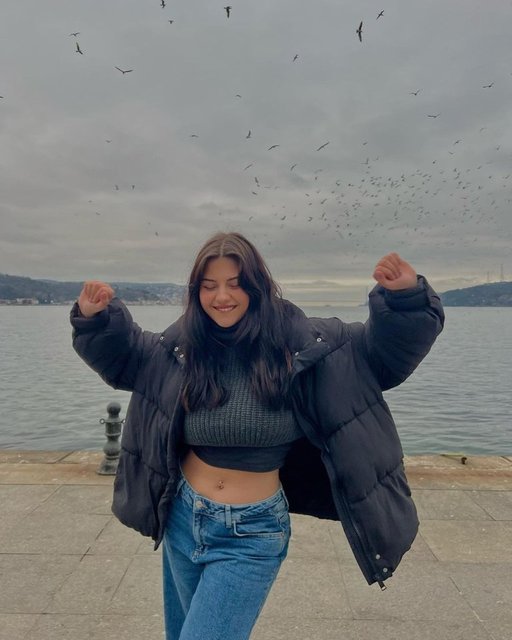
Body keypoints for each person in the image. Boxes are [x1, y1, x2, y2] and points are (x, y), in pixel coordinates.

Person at [70, 231, 444, 640]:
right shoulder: (183, 345)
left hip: (251, 533)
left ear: (257, 286)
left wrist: (406, 299)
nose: (221, 296)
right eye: (209, 286)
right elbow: (127, 357)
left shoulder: (307, 342)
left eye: (235, 284)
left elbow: (383, 354)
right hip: (182, 517)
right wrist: (96, 319)